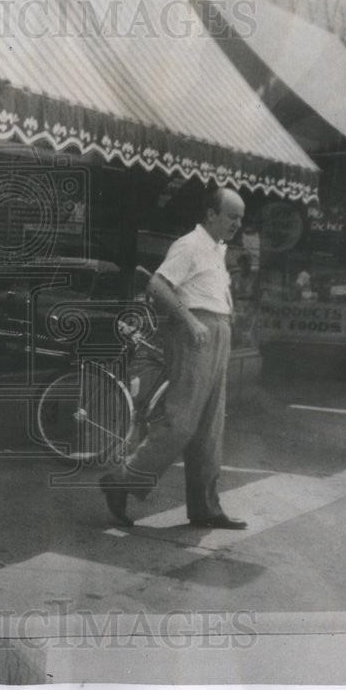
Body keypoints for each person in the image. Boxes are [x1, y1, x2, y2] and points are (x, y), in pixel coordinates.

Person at [100, 187, 249, 530]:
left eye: (240, 218)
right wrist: (192, 320)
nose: (237, 224)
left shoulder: (216, 249)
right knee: (181, 421)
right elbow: (158, 285)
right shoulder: (190, 245)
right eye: (231, 216)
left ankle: (206, 508)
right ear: (211, 214)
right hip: (194, 335)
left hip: (216, 332)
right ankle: (122, 479)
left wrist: (224, 316)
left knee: (210, 426)